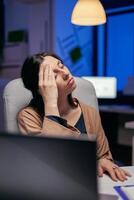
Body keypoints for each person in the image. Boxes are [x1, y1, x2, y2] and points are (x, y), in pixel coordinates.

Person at [17, 52, 131, 182]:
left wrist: (103, 160)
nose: (65, 73)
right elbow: (50, 163)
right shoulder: (28, 117)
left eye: (61, 65)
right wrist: (51, 104)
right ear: (41, 88)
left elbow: (103, 154)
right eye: (54, 76)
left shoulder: (89, 112)